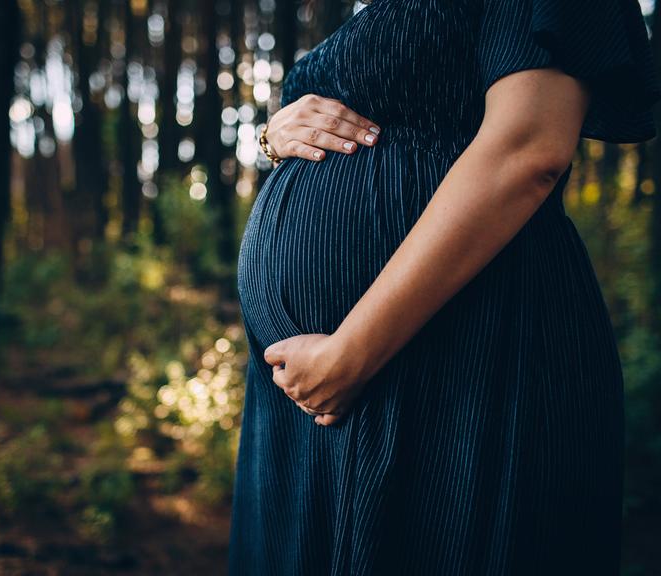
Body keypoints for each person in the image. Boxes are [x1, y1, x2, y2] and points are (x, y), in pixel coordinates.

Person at [229, 0, 661, 574]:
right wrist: (271, 136)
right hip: (312, 394)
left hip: (468, 353)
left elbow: (528, 149)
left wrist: (352, 351)